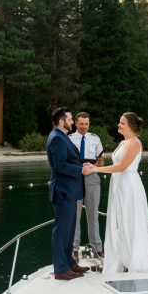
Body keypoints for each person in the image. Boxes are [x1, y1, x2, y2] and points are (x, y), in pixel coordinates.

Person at [88, 112, 148, 274]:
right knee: (118, 222)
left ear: (131, 126)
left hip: (129, 186)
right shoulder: (123, 142)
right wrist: (94, 164)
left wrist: (96, 169)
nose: (119, 125)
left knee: (129, 222)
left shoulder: (134, 143)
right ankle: (122, 260)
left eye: (122, 123)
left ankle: (133, 262)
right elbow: (116, 166)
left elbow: (121, 167)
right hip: (118, 185)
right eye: (119, 122)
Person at [47, 107, 94, 280]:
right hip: (63, 191)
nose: (73, 122)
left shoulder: (61, 136)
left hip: (69, 191)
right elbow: (60, 166)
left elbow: (68, 161)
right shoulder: (57, 138)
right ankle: (60, 269)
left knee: (69, 230)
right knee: (61, 232)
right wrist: (82, 170)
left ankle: (68, 263)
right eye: (70, 119)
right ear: (61, 122)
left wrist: (84, 165)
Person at [68, 112, 105, 263]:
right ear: (75, 123)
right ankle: (74, 250)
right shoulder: (68, 139)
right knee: (75, 216)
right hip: (74, 179)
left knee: (93, 215)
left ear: (89, 124)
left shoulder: (95, 139)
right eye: (81, 123)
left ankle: (97, 247)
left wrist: (95, 165)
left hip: (92, 178)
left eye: (86, 124)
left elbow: (101, 161)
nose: (84, 126)